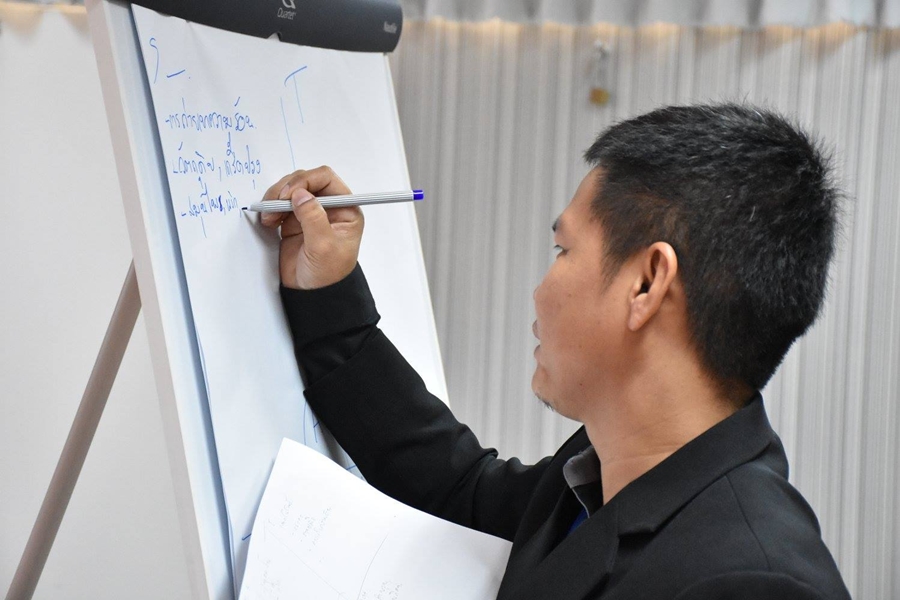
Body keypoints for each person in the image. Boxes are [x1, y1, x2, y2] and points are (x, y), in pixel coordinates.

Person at [261, 103, 851, 599]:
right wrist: (328, 295)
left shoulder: (751, 581)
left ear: (647, 284)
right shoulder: (604, 472)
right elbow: (460, 489)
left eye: (563, 250)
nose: (541, 290)